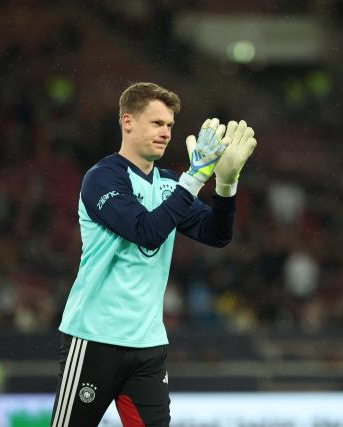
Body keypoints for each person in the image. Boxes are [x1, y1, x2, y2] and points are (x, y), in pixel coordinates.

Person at [50, 82, 257, 427]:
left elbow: (217, 235)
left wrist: (226, 185)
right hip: (93, 339)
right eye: (157, 123)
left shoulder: (167, 183)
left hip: (147, 345)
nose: (166, 133)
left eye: (170, 126)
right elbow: (147, 233)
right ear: (128, 122)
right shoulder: (102, 179)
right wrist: (193, 178)